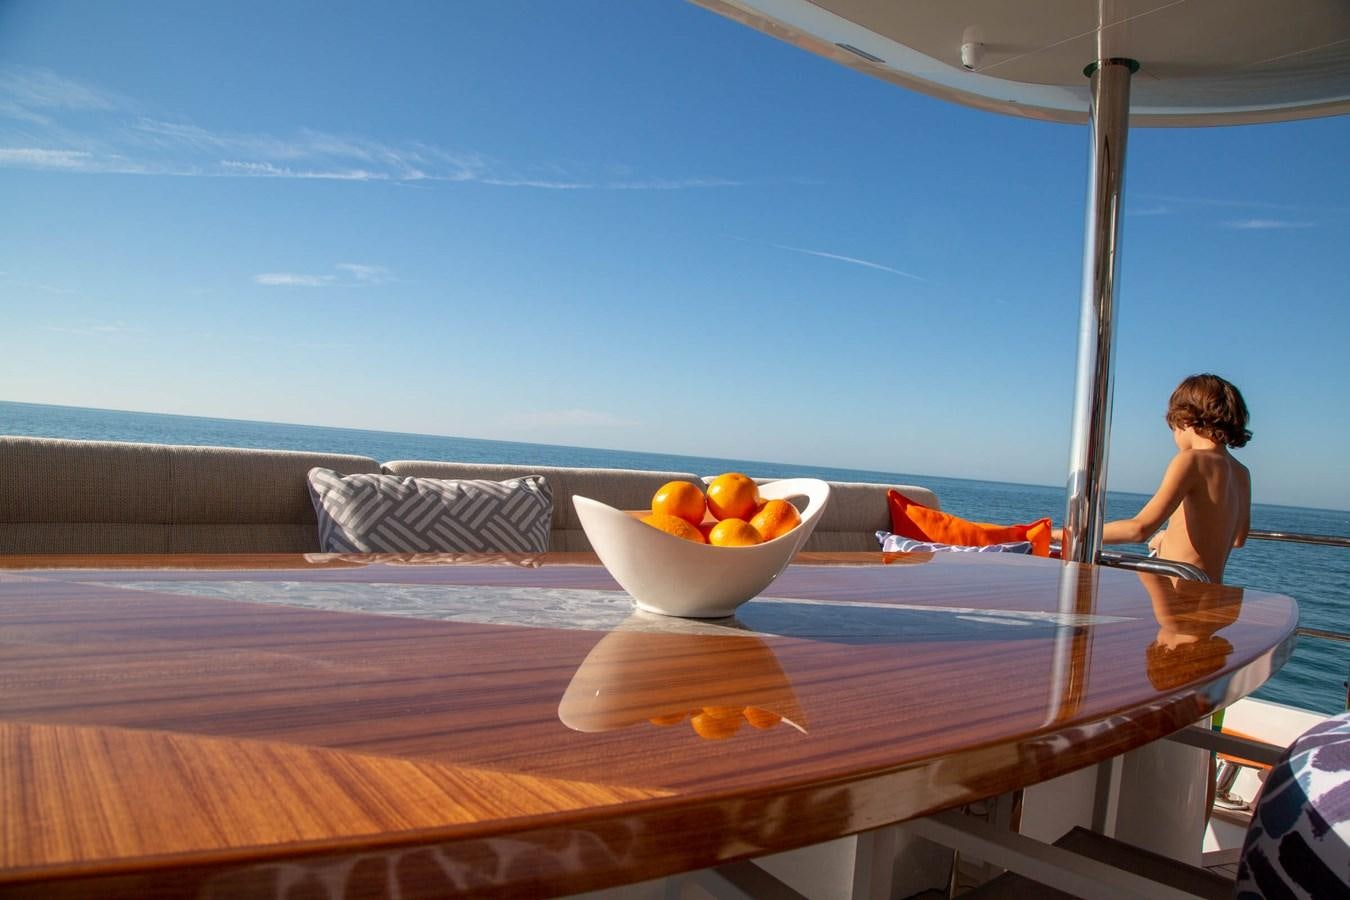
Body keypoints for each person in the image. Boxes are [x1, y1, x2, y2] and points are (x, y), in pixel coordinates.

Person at [1056, 373, 1252, 583]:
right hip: (1211, 591)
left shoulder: (1191, 461)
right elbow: (1238, 538)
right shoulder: (1241, 472)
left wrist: (1060, 534)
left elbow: (1139, 529)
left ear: (1185, 419)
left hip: (1179, 593)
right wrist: (1166, 538)